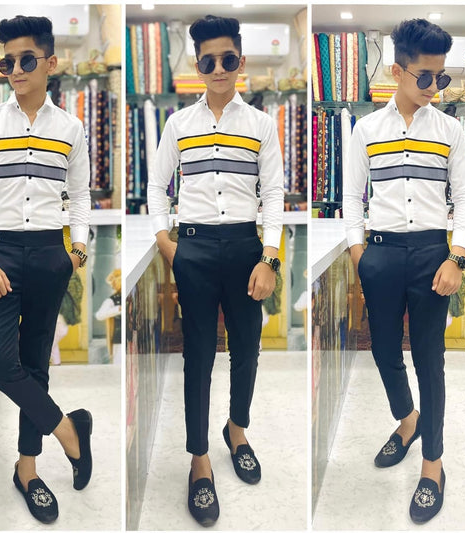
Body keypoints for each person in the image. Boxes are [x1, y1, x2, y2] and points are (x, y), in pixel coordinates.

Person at [147, 14, 284, 526]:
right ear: (197, 65)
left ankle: (237, 430)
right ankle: (199, 459)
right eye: (209, 61)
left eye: (228, 59)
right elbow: (157, 186)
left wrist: (269, 257)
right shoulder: (179, 124)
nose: (219, 68)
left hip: (246, 246)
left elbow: (273, 194)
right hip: (195, 248)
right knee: (198, 357)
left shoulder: (261, 124)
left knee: (247, 349)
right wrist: (166, 241)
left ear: (240, 61)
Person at [0, 15, 93, 524]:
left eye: (26, 59)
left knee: (36, 364)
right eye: (7, 62)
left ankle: (28, 470)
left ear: (50, 63)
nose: (15, 69)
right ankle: (69, 431)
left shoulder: (71, 129)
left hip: (49, 254)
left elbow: (80, 197)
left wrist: (76, 253)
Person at [343, 19, 465, 524]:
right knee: (382, 350)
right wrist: (360, 254)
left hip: (430, 255)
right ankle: (407, 420)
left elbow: (464, 198)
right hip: (380, 253)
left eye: (441, 77)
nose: (435, 87)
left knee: (429, 359)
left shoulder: (450, 131)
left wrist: (456, 257)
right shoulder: (366, 130)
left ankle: (432, 464)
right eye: (425, 77)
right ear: (397, 72)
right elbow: (352, 198)